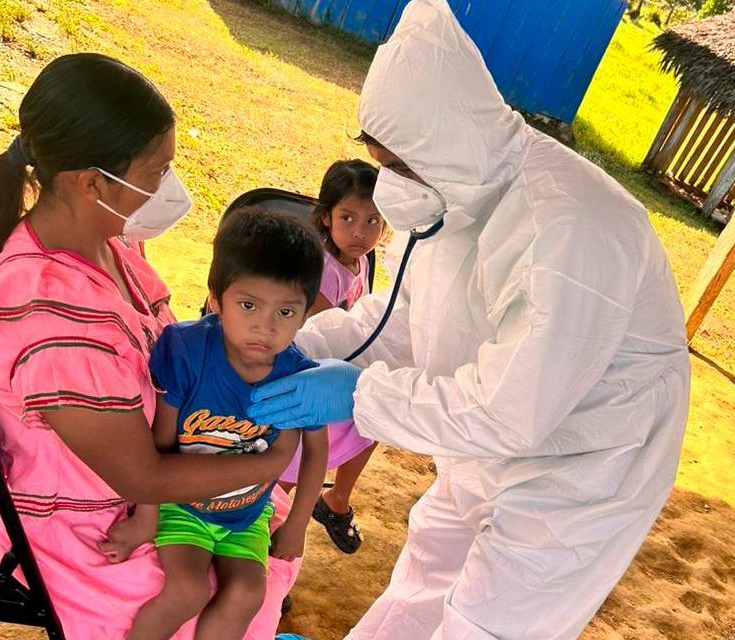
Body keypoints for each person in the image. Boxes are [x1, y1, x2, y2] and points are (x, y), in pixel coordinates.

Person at [245, 1, 692, 639]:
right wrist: (298, 345)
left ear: (447, 144)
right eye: (379, 163)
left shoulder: (566, 229)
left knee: (489, 622)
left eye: (399, 166)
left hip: (583, 458)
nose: (389, 187)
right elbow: (398, 318)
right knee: (427, 571)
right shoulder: (453, 195)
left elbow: (509, 411)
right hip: (483, 434)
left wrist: (359, 394)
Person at [0, 53, 302, 640]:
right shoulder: (52, 322)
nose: (169, 187)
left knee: (250, 550)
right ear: (91, 183)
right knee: (220, 593)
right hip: (82, 518)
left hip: (127, 474)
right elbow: (142, 479)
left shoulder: (109, 246)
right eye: (157, 171)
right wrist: (266, 464)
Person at [94, 208, 328, 639]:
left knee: (246, 595)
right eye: (248, 305)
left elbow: (317, 450)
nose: (265, 326)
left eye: (286, 312)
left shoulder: (300, 378)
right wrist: (145, 520)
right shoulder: (185, 351)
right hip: (182, 506)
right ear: (216, 297)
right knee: (187, 589)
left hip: (248, 514)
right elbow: (160, 442)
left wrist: (296, 524)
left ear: (307, 312)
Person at [279, 159, 389, 554]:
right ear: (326, 217)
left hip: (329, 373)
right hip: (300, 379)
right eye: (348, 218)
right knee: (287, 471)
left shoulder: (357, 260)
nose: (360, 232)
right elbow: (327, 331)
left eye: (373, 221)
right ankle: (270, 536)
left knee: (376, 418)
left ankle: (335, 500)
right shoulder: (324, 267)